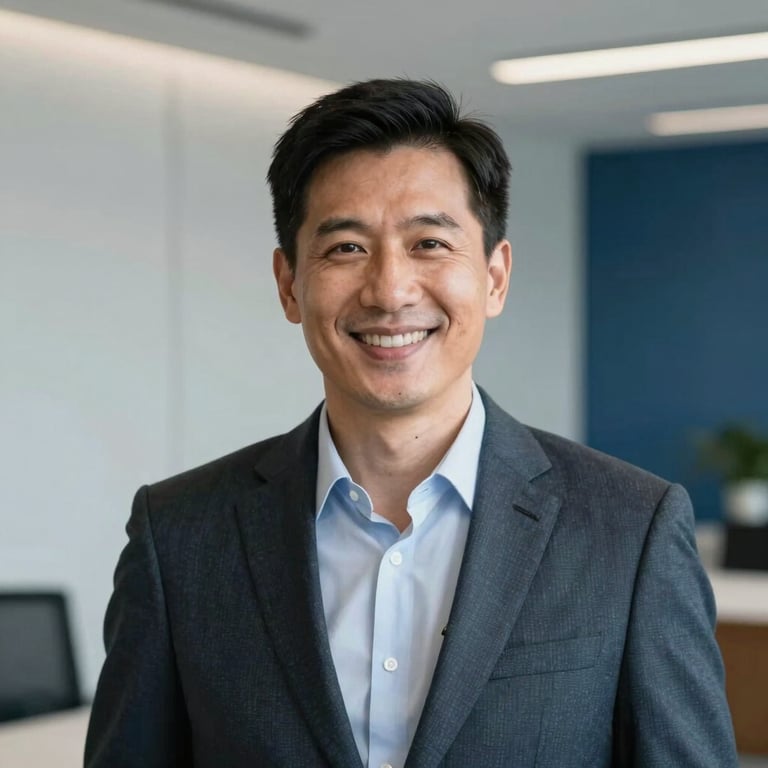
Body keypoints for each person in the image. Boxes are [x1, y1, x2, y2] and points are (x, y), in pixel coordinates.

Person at [84, 79, 737, 768]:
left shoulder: (630, 528)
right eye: (345, 249)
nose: (390, 291)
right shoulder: (181, 535)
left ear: (494, 277)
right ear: (288, 284)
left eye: (429, 242)